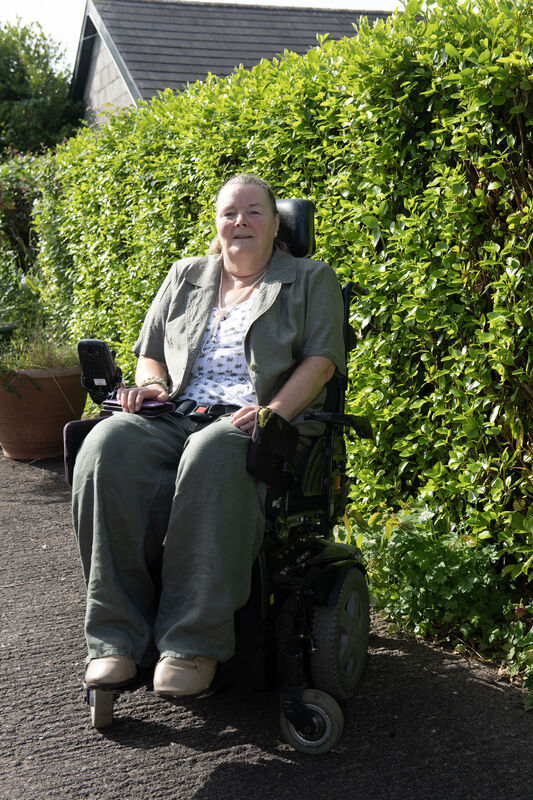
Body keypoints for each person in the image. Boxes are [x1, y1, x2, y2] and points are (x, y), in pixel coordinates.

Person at [73, 173, 345, 699]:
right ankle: (114, 642)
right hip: (176, 412)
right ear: (216, 223)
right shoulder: (185, 275)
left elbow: (321, 363)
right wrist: (150, 386)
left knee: (214, 449)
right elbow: (150, 352)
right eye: (229, 212)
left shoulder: (311, 279)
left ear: (275, 224)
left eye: (254, 212)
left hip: (252, 423)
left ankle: (190, 644)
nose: (239, 221)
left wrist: (272, 412)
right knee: (106, 445)